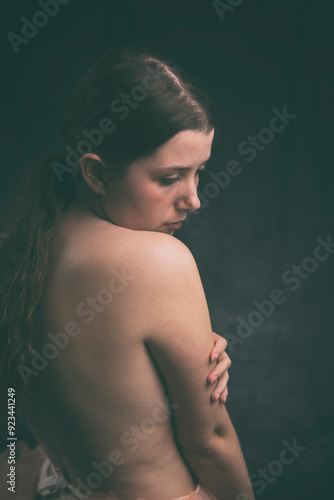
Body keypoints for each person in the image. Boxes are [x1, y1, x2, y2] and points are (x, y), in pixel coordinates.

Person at [0, 44, 254, 500]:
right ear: (96, 174)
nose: (193, 199)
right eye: (169, 177)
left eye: (200, 173)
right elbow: (209, 441)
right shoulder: (157, 260)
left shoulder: (14, 253)